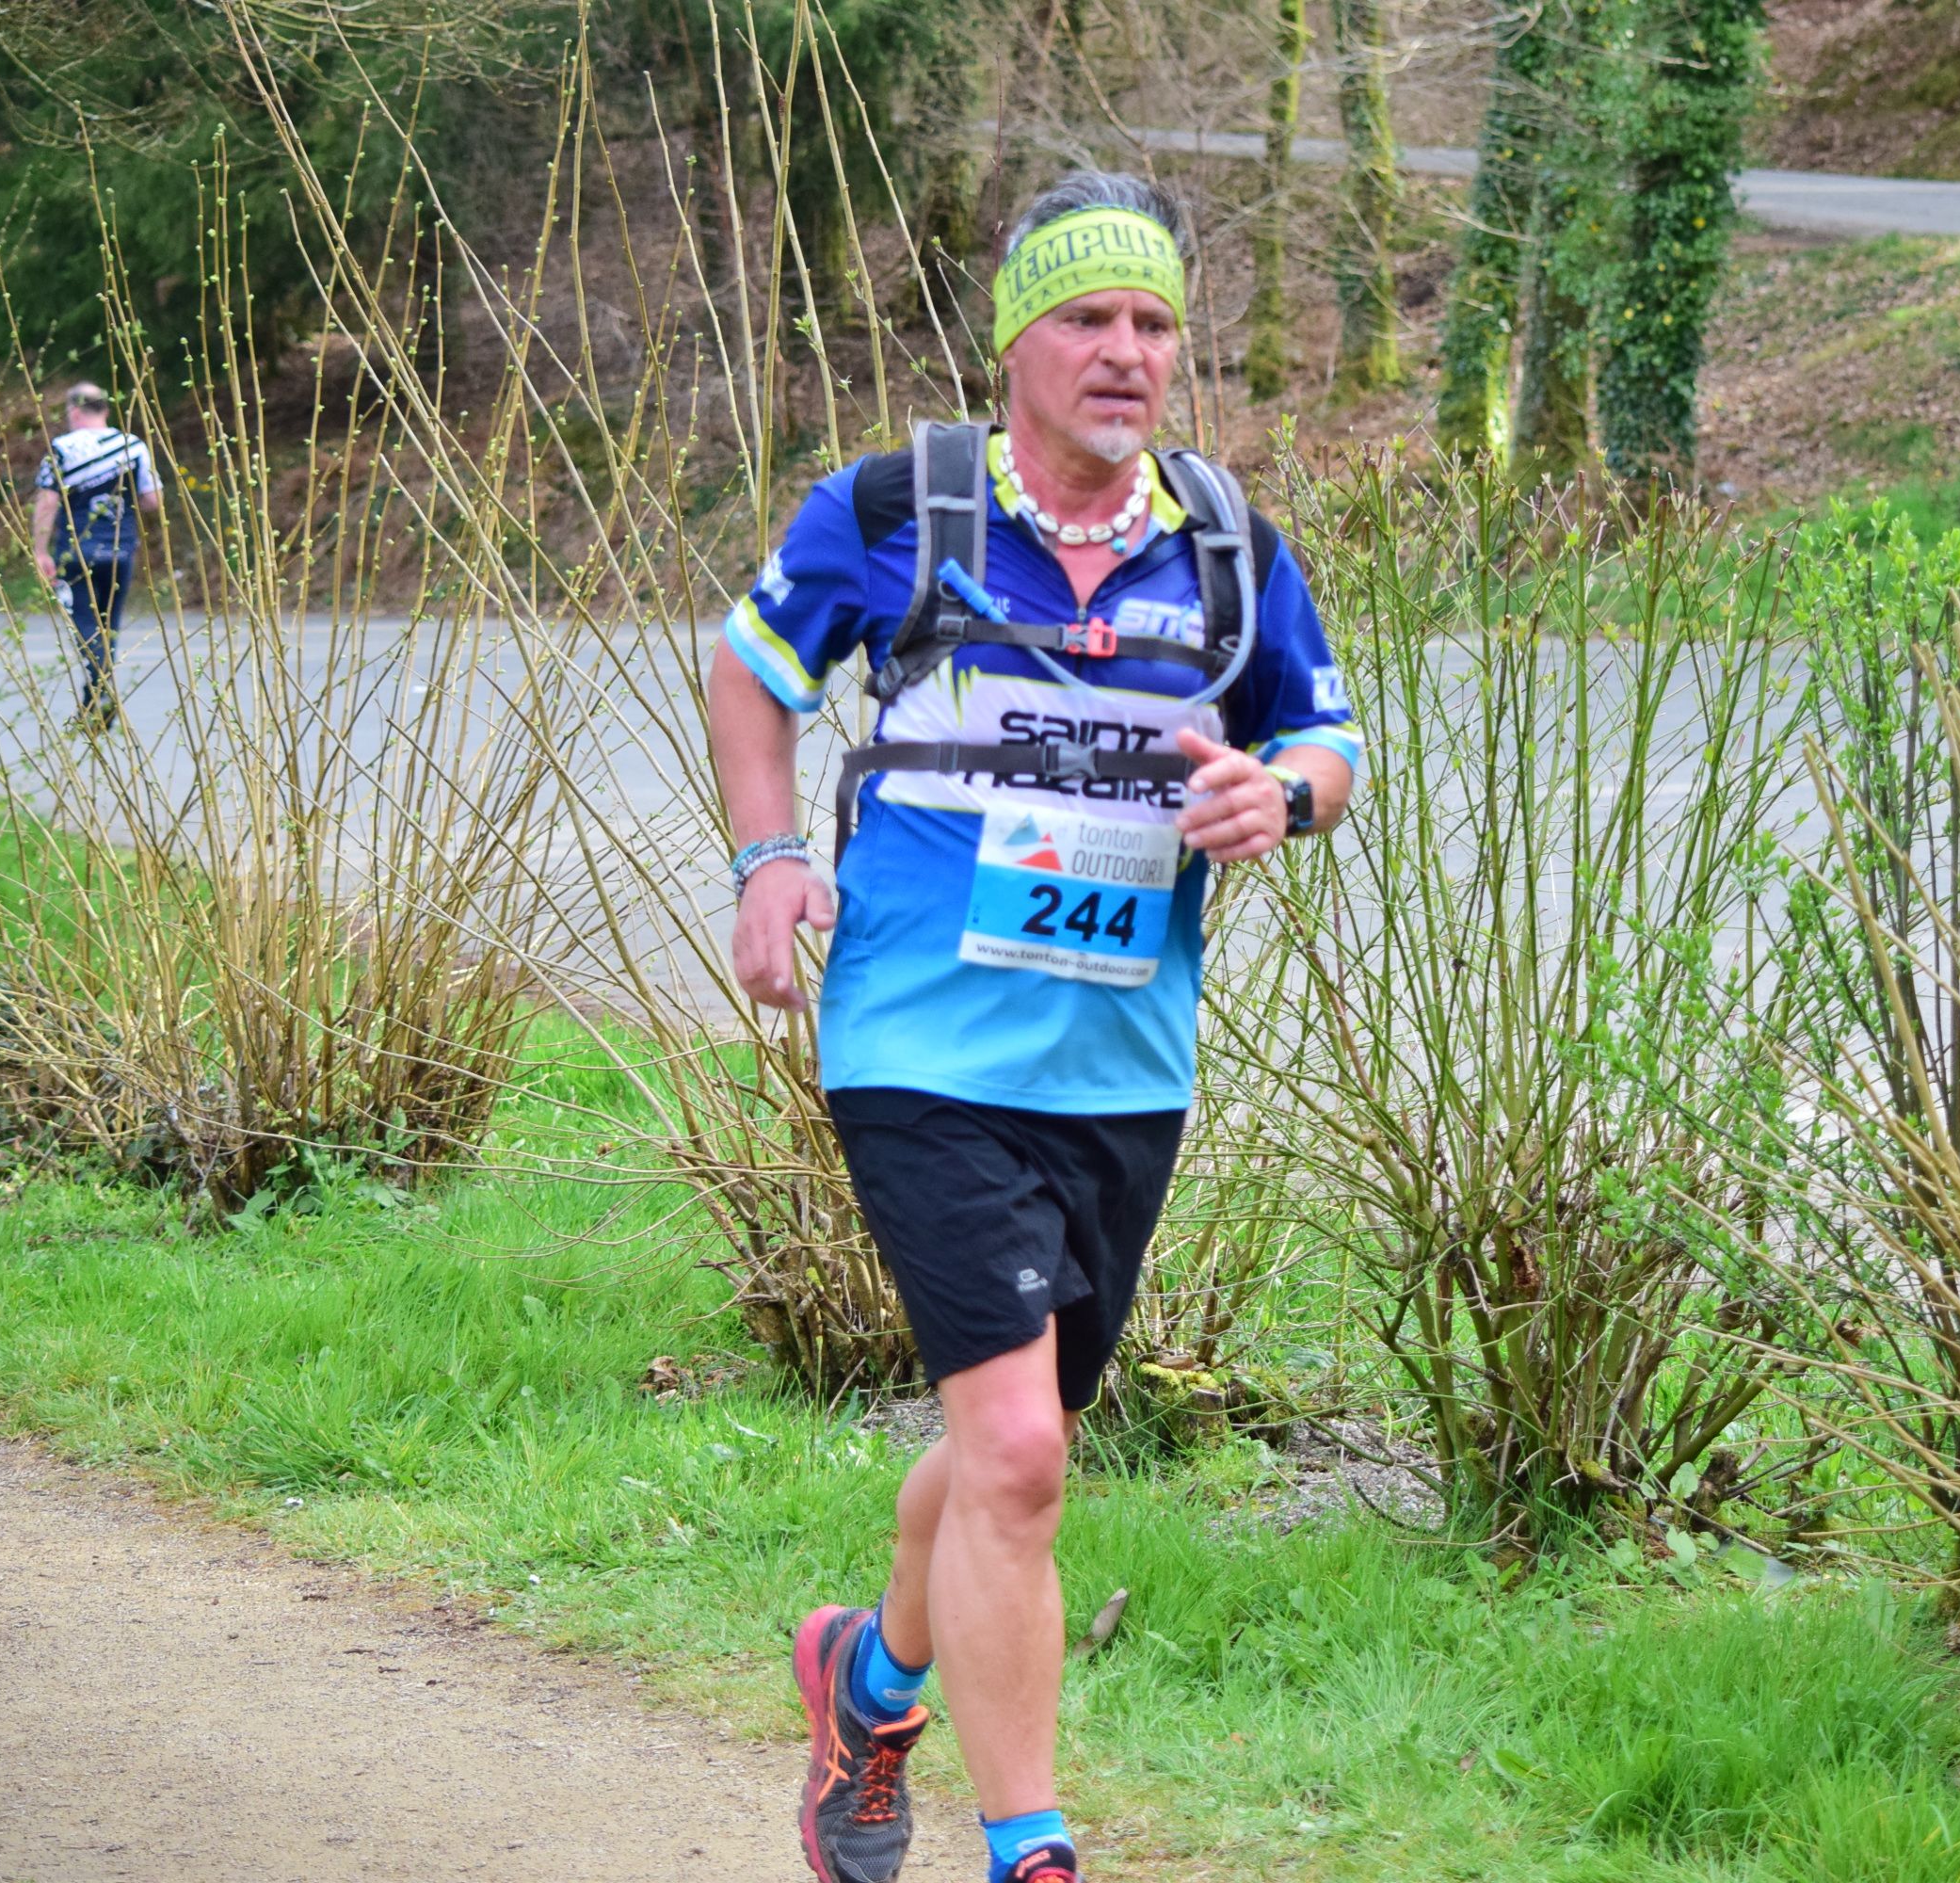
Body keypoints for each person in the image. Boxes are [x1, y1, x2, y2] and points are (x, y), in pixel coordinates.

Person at [706, 170, 1360, 1883]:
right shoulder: (894, 511)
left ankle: (867, 1677)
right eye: (1087, 318)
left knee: (1021, 1446)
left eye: (1153, 322)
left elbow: (1328, 743)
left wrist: (1281, 796)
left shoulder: (1226, 546)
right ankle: (1031, 1850)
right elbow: (752, 671)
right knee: (1013, 1452)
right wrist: (769, 860)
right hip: (918, 1047)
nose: (1125, 350)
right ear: (1014, 344)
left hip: (1121, 1064)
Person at [30, 382, 162, 732]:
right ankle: (95, 703)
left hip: (76, 552)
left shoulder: (61, 449)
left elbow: (47, 502)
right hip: (120, 549)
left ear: (74, 411)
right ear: (105, 409)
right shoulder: (132, 445)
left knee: (85, 623)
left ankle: (100, 695)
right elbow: (153, 500)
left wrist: (40, 550)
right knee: (109, 625)